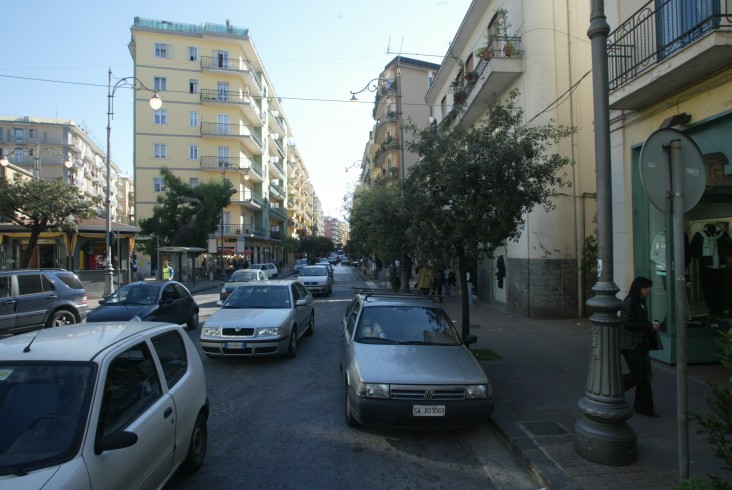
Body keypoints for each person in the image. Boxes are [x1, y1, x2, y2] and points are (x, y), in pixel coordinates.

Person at [620, 276, 661, 417]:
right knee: (638, 375)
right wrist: (649, 325)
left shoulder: (641, 302)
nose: (649, 290)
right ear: (638, 288)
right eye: (646, 287)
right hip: (630, 345)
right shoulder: (630, 302)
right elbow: (628, 322)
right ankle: (613, 390)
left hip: (639, 343)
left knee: (645, 376)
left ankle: (644, 407)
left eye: (649, 287)